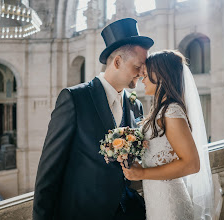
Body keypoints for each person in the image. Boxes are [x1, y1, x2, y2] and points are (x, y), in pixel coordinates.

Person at [32, 18, 153, 220]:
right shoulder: (74, 99)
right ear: (117, 62)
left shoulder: (136, 105)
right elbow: (48, 173)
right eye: (138, 66)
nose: (142, 74)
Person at [121, 50, 214, 220]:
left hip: (170, 204)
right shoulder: (161, 109)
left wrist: (142, 174)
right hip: (156, 199)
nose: (143, 79)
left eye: (147, 74)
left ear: (161, 76)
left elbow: (192, 164)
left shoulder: (171, 111)